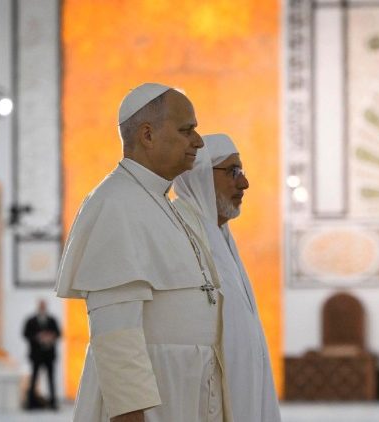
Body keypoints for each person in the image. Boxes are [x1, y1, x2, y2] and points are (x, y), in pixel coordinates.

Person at [56, 83, 232, 422]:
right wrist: (131, 413)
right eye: (186, 130)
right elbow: (116, 332)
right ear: (148, 135)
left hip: (186, 386)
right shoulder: (115, 204)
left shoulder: (163, 202)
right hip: (151, 397)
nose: (198, 142)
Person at [173, 134, 281, 421]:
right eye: (232, 171)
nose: (244, 183)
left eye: (241, 171)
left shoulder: (220, 235)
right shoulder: (177, 232)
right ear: (199, 176)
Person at [22, 299, 61, 410]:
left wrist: (50, 337)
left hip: (49, 355)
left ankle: (53, 403)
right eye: (41, 306)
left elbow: (58, 333)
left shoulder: (52, 320)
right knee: (34, 378)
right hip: (36, 355)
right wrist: (37, 337)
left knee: (51, 379)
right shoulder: (31, 320)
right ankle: (30, 403)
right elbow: (25, 334)